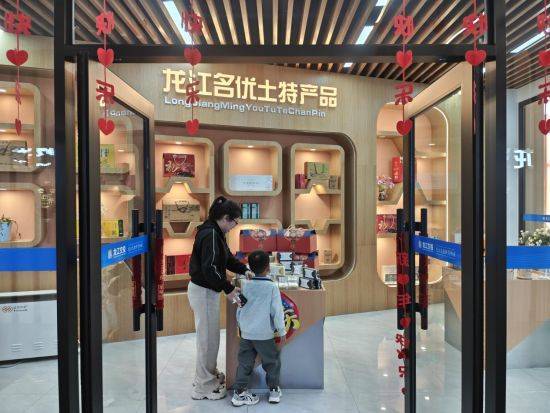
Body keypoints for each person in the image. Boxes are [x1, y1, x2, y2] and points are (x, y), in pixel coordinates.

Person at [188, 196, 254, 400]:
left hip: (208, 291)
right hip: (204, 291)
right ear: (226, 218)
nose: (234, 226)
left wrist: (244, 269)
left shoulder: (215, 232)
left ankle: (208, 374)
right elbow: (210, 269)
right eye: (235, 221)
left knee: (210, 338)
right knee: (207, 340)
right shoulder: (210, 234)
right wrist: (228, 288)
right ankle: (203, 386)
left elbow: (226, 259)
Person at [231, 250, 286, 407]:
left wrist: (241, 325)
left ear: (249, 267)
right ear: (268, 267)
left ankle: (239, 392)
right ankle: (273, 390)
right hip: (264, 334)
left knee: (244, 363)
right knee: (272, 362)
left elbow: (240, 308)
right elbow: (277, 311)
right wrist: (281, 331)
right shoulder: (272, 287)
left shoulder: (245, 285)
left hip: (247, 333)